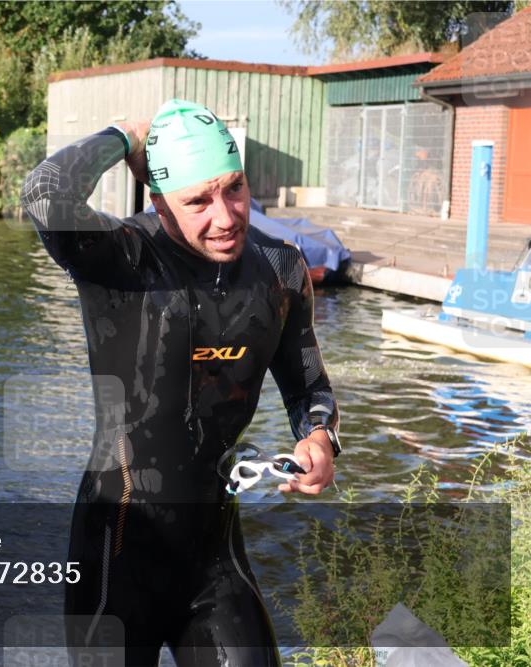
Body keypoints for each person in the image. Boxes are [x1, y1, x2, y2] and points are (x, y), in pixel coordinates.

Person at [20, 98, 341, 666]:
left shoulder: (280, 270)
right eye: (199, 200)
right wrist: (127, 134)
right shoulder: (122, 259)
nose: (225, 216)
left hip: (213, 558)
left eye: (234, 189)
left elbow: (307, 381)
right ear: (160, 203)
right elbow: (45, 195)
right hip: (116, 557)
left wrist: (318, 437)